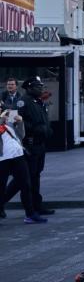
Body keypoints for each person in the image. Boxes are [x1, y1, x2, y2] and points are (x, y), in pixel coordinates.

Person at [16, 77, 53, 216]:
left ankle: (37, 205)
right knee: (29, 177)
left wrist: (47, 130)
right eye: (38, 86)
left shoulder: (38, 101)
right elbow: (18, 122)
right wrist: (36, 129)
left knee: (36, 175)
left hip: (40, 144)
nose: (41, 89)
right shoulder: (22, 102)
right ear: (29, 88)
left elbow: (43, 120)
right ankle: (31, 208)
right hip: (30, 144)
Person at [0, 109, 39, 222]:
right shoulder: (2, 121)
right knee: (1, 186)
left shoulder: (7, 123)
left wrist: (20, 122)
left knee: (25, 184)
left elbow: (21, 136)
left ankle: (30, 214)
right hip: (2, 159)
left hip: (18, 156)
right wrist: (1, 119)